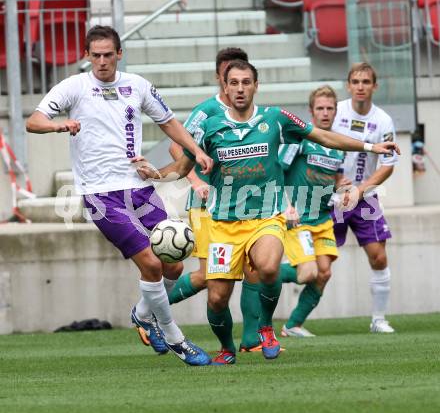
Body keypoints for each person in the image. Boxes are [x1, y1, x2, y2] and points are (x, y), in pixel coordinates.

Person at [136, 60, 399, 364]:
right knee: (218, 298)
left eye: (246, 82)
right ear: (225, 87)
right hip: (223, 223)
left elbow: (323, 136)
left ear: (256, 86)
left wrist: (369, 147)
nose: (240, 88)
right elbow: (181, 167)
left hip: (266, 217)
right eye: (234, 83)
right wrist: (153, 174)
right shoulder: (210, 124)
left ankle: (265, 328)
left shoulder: (275, 118)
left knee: (269, 267)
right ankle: (226, 348)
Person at [25, 25, 213, 366]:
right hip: (99, 195)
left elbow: (168, 121)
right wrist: (59, 125)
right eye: (95, 55)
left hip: (138, 187)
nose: (101, 61)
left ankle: (143, 315)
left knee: (174, 265)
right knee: (153, 263)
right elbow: (34, 121)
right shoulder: (74, 87)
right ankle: (176, 338)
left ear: (119, 54)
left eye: (107, 55)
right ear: (86, 56)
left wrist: (195, 151)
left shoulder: (136, 85)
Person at [166, 48, 263, 352]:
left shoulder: (252, 114)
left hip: (245, 206)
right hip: (209, 206)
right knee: (211, 277)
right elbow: (175, 148)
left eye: (239, 77)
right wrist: (195, 182)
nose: (232, 83)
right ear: (220, 78)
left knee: (252, 269)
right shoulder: (207, 111)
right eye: (226, 76)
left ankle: (250, 340)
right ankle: (150, 313)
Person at [331, 62, 398, 333]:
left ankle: (379, 319)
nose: (360, 87)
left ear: (374, 86)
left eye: (366, 82)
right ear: (348, 85)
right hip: (331, 196)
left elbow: (388, 163)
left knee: (379, 257)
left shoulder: (383, 120)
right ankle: (292, 322)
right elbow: (321, 143)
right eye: (356, 82)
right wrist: (336, 179)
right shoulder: (336, 112)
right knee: (316, 263)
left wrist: (361, 189)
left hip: (365, 197)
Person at [278, 85, 345, 338]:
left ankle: (293, 325)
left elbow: (335, 178)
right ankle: (261, 273)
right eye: (320, 108)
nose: (325, 113)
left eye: (330, 108)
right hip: (299, 219)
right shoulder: (300, 137)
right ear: (311, 111)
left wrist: (343, 188)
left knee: (324, 273)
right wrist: (287, 206)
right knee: (308, 273)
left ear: (336, 111)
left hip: (322, 218)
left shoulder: (338, 145)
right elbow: (277, 170)